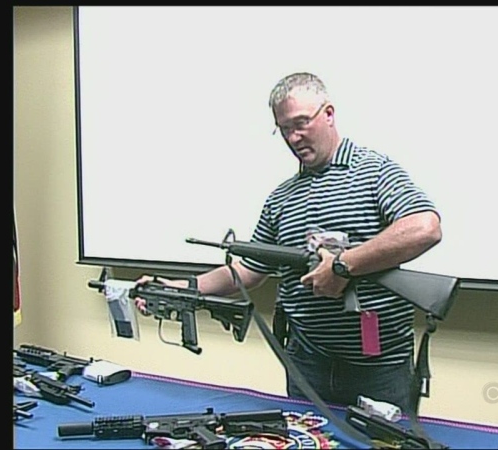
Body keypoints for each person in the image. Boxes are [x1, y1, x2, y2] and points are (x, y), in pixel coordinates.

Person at [135, 72, 442, 414]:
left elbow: (424, 227)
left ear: (328, 114)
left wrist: (343, 265)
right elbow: (247, 270)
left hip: (378, 368)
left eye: (301, 123)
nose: (294, 137)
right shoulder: (282, 197)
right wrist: (179, 288)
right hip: (305, 364)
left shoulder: (375, 172)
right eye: (284, 129)